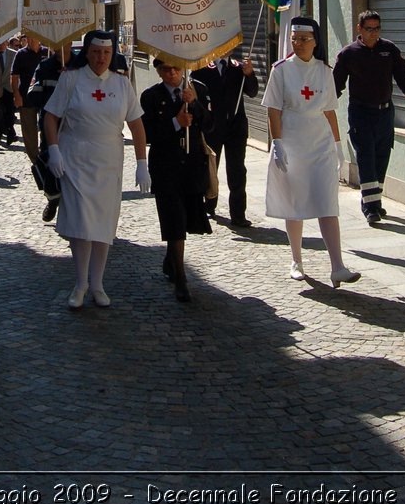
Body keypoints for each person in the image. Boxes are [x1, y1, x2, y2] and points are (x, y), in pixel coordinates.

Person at [44, 29, 151, 309]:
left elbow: (137, 124)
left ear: (112, 53)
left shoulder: (121, 83)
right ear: (86, 52)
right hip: (75, 157)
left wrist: (142, 163)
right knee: (81, 224)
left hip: (109, 160)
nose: (101, 57)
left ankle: (98, 283)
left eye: (106, 52)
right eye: (95, 52)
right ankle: (80, 283)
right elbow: (51, 116)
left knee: (103, 225)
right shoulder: (70, 79)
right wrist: (53, 149)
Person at [262, 17, 360, 288]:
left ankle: (337, 266)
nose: (299, 44)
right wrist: (277, 142)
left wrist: (338, 147)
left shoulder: (324, 71)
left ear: (316, 41)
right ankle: (296, 259)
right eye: (295, 40)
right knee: (295, 202)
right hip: (292, 143)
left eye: (304, 40)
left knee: (327, 201)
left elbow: (329, 110)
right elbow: (273, 108)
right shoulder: (281, 70)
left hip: (320, 144)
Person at [333, 10, 405, 225]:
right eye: (369, 29)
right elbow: (336, 85)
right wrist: (323, 109)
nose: (373, 33)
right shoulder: (348, 54)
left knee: (381, 156)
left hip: (384, 112)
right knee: (366, 157)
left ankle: (374, 200)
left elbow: (403, 78)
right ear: (359, 29)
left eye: (377, 29)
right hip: (361, 112)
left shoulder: (389, 50)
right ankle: (371, 207)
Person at [141, 58, 211, 302]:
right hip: (165, 167)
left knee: (186, 218)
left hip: (192, 166)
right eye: (165, 70)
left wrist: (196, 105)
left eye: (175, 69)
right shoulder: (150, 96)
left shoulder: (197, 89)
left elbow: (210, 126)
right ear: (158, 71)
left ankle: (171, 260)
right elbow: (147, 133)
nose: (171, 74)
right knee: (173, 218)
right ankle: (181, 278)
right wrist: (174, 123)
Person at [192, 46, 258, 227]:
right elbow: (196, 97)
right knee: (210, 167)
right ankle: (209, 204)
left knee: (237, 170)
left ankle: (238, 214)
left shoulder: (238, 68)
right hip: (212, 127)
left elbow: (252, 92)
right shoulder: (202, 69)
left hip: (235, 127)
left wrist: (250, 74)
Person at [25, 43, 74, 223]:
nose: (60, 46)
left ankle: (72, 208)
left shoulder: (81, 65)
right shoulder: (44, 67)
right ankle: (52, 198)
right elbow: (32, 95)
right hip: (49, 125)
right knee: (47, 164)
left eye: (65, 42)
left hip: (74, 126)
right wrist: (55, 95)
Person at [10, 35, 46, 163]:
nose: (30, 40)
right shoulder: (21, 54)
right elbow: (14, 76)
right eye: (28, 38)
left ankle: (45, 155)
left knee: (46, 127)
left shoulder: (46, 52)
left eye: (33, 37)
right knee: (29, 131)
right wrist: (16, 95)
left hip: (44, 97)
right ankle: (35, 160)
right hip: (26, 97)